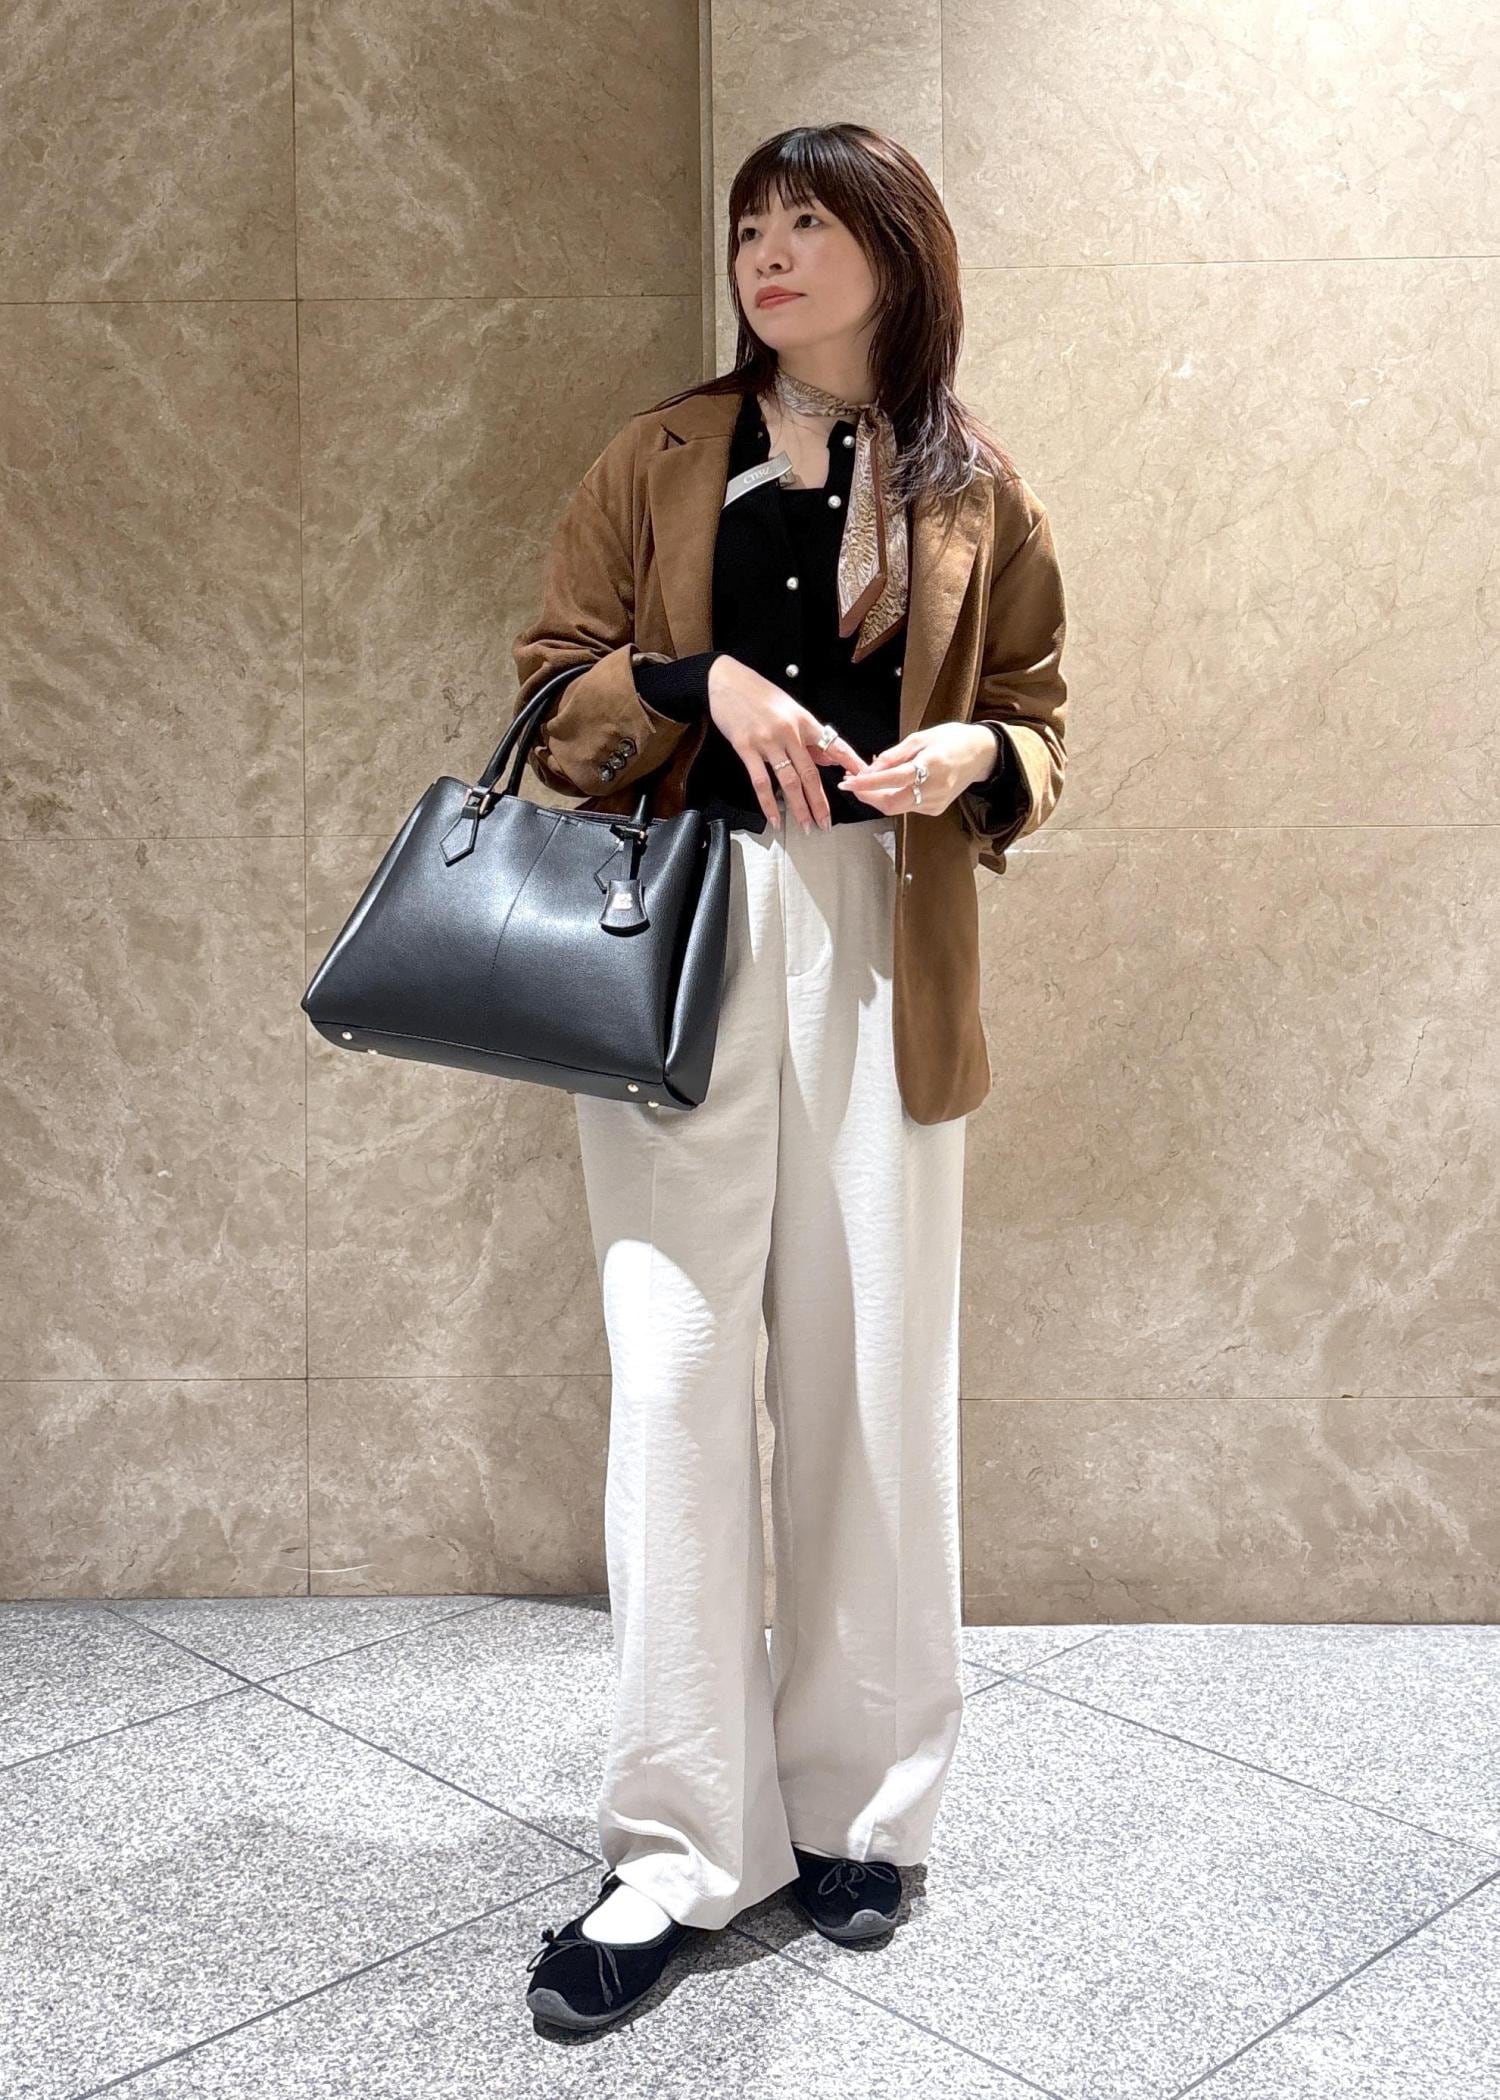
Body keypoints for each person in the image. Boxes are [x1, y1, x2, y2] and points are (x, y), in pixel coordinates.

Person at [512, 122, 1068, 2033]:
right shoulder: (660, 454)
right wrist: (697, 687)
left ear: (895, 254)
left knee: (869, 1387)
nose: (768, 251)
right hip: (679, 939)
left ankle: (861, 1810)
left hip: (886, 949)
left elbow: (1042, 715)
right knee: (674, 1384)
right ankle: (678, 1847)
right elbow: (553, 685)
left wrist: (974, 757)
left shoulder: (977, 488)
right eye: (751, 224)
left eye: (808, 222)